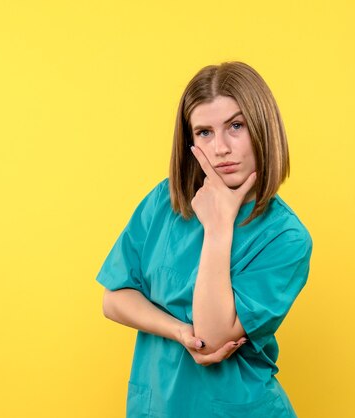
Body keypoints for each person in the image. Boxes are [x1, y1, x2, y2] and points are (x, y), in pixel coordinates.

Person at [95, 61, 313, 417]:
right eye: (204, 132)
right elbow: (114, 298)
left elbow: (212, 338)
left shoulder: (287, 238)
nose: (221, 148)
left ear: (263, 129)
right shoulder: (165, 201)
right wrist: (179, 331)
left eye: (236, 126)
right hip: (157, 406)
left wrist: (218, 227)